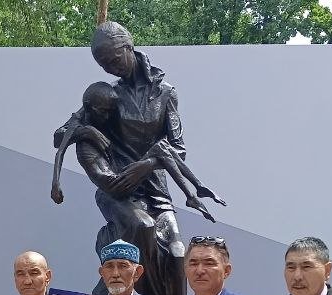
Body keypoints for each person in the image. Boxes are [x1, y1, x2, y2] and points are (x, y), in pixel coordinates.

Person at [51, 21, 189, 295]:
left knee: (177, 253)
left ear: (128, 47)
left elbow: (178, 150)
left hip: (155, 188)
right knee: (142, 228)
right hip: (118, 188)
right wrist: (86, 130)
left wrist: (146, 166)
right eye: (104, 65)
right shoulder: (108, 94)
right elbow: (59, 136)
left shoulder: (165, 93)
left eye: (113, 60)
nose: (111, 69)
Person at [52, 81, 224, 223]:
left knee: (163, 147)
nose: (107, 117)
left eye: (110, 112)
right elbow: (59, 150)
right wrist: (56, 185)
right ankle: (193, 193)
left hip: (120, 176)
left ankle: (196, 190)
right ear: (88, 107)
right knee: (161, 148)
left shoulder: (102, 120)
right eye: (103, 111)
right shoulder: (76, 125)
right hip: (116, 185)